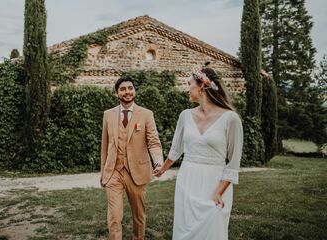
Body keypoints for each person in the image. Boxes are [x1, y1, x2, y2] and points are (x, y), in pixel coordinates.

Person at [154, 62, 243, 240]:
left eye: (189, 83)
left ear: (202, 85)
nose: (187, 88)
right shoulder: (185, 115)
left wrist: (219, 192)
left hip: (215, 183)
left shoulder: (230, 118)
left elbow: (233, 163)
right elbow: (176, 149)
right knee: (185, 231)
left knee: (212, 230)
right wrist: (163, 168)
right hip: (187, 180)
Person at [100, 76, 164, 240]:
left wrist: (158, 162)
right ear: (117, 93)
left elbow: (154, 142)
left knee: (138, 216)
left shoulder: (146, 114)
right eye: (123, 89)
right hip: (114, 172)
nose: (127, 92)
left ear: (134, 90)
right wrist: (103, 173)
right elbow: (105, 147)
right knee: (114, 217)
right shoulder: (108, 115)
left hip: (137, 172)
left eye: (130, 88)